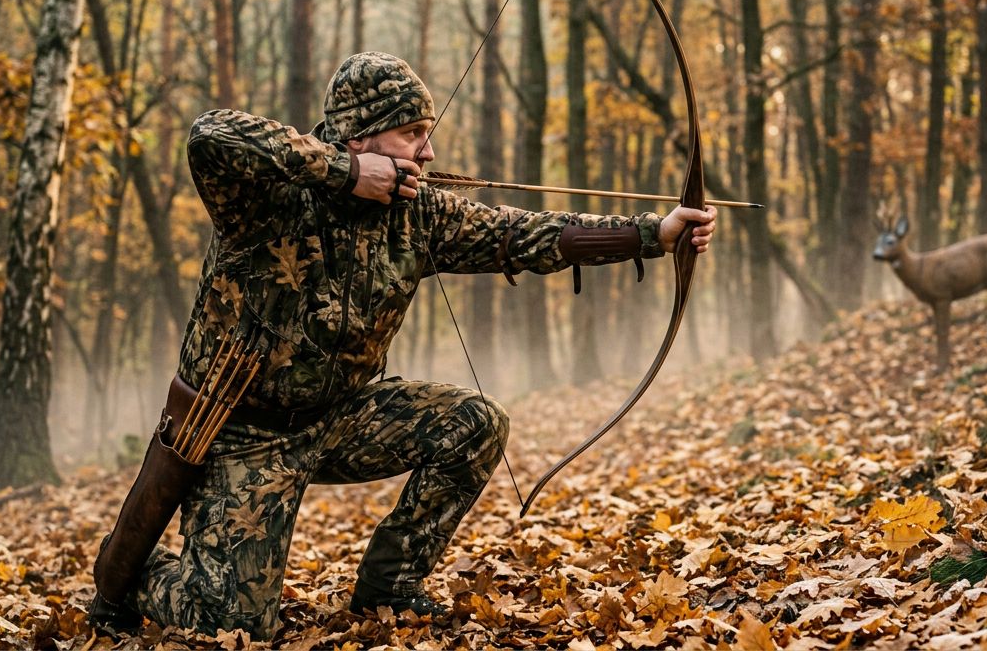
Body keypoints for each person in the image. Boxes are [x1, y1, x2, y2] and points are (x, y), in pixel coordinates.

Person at [88, 51, 716, 640]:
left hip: (342, 417)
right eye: (412, 132)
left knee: (474, 424)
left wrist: (653, 234)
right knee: (235, 625)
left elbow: (526, 234)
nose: (428, 149)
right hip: (243, 434)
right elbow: (210, 134)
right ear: (361, 136)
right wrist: (345, 173)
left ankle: (388, 587)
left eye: (427, 131)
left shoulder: (419, 212)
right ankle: (130, 572)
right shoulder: (265, 199)